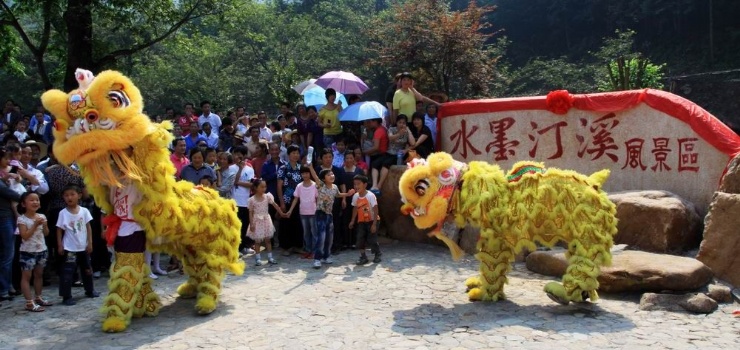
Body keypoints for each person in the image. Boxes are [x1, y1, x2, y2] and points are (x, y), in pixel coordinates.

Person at [56, 184, 99, 305]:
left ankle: (90, 290)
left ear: (79, 195)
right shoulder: (63, 213)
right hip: (70, 248)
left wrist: (89, 242)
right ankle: (66, 295)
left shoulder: (84, 211)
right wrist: (60, 245)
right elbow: (59, 229)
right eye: (66, 195)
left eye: (72, 194)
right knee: (68, 272)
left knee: (87, 269)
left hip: (83, 246)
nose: (69, 197)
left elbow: (88, 227)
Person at [307, 166, 354, 268]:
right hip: (320, 214)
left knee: (329, 237)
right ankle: (317, 259)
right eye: (328, 175)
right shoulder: (321, 185)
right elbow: (315, 176)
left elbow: (338, 195)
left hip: (329, 215)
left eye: (332, 174)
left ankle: (326, 256)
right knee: (321, 237)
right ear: (324, 179)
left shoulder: (335, 187)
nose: (331, 175)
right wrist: (311, 167)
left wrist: (348, 194)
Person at [16, 191, 51, 311]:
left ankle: (38, 297)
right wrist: (35, 225)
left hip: (41, 249)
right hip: (27, 251)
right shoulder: (22, 219)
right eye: (31, 200)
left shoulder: (42, 216)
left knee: (39, 275)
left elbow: (46, 233)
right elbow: (24, 236)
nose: (35, 202)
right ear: (24, 204)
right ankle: (29, 302)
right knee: (26, 276)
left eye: (37, 200)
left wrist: (45, 225)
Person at [247, 178, 285, 266]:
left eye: (265, 187)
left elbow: (275, 205)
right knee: (257, 241)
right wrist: (252, 224)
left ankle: (270, 257)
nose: (264, 189)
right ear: (256, 188)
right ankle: (258, 258)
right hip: (257, 221)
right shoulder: (252, 200)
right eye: (262, 187)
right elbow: (250, 212)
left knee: (268, 240)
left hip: (266, 220)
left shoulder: (268, 196)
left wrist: (281, 213)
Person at [0, 148, 21, 303]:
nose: (8, 162)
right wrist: (28, 197)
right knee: (7, 255)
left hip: (6, 217)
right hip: (4, 218)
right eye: (6, 159)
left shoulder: (4, 177)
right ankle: (4, 289)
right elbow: (13, 195)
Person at [277, 145, 305, 256]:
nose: (296, 155)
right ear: (288, 155)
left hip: (299, 200)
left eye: (297, 153)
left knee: (298, 223)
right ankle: (285, 247)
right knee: (286, 223)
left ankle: (297, 246)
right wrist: (281, 202)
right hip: (287, 199)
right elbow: (279, 186)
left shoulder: (301, 168)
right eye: (293, 153)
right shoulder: (283, 168)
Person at [286, 166, 318, 263]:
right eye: (303, 173)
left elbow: (317, 198)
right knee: (306, 233)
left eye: (307, 173)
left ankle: (315, 251)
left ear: (310, 174)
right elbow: (296, 198)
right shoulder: (299, 186)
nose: (305, 175)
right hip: (303, 212)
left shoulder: (315, 185)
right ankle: (308, 250)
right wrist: (290, 210)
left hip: (313, 212)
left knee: (314, 233)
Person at [372, 117, 412, 193]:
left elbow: (413, 143)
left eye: (403, 123)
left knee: (386, 164)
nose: (401, 124)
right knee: (375, 163)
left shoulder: (407, 132)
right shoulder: (391, 129)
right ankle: (374, 185)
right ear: (396, 123)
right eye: (400, 122)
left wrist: (409, 131)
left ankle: (379, 186)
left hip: (398, 154)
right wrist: (399, 133)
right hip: (389, 152)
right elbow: (390, 138)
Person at [348, 175, 381, 265]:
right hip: (362, 221)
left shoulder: (370, 196)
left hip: (372, 220)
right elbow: (355, 208)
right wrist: (352, 220)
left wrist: (374, 224)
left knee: (372, 239)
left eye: (358, 184)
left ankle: (377, 254)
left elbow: (375, 209)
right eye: (355, 184)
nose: (356, 186)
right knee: (360, 238)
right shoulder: (355, 196)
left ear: (365, 185)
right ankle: (363, 257)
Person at [338, 150, 364, 250]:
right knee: (345, 220)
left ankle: (354, 241)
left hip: (357, 198)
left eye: (351, 158)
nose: (349, 160)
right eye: (347, 158)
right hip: (344, 198)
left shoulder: (359, 171)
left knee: (356, 219)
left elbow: (363, 185)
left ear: (354, 159)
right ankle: (345, 242)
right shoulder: (340, 171)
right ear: (344, 160)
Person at [232, 146, 255, 256]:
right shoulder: (231, 168)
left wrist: (239, 183)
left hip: (245, 201)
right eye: (236, 153)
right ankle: (235, 248)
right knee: (235, 226)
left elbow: (251, 184)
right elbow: (232, 182)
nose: (239, 156)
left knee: (244, 225)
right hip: (234, 201)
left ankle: (242, 247)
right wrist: (240, 169)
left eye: (241, 154)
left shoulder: (250, 169)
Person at [363, 118, 390, 194]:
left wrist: (364, 152)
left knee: (373, 164)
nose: (369, 123)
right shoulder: (382, 129)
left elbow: (376, 147)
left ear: (375, 122)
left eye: (370, 122)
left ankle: (372, 185)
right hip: (382, 153)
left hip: (381, 154)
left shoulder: (378, 131)